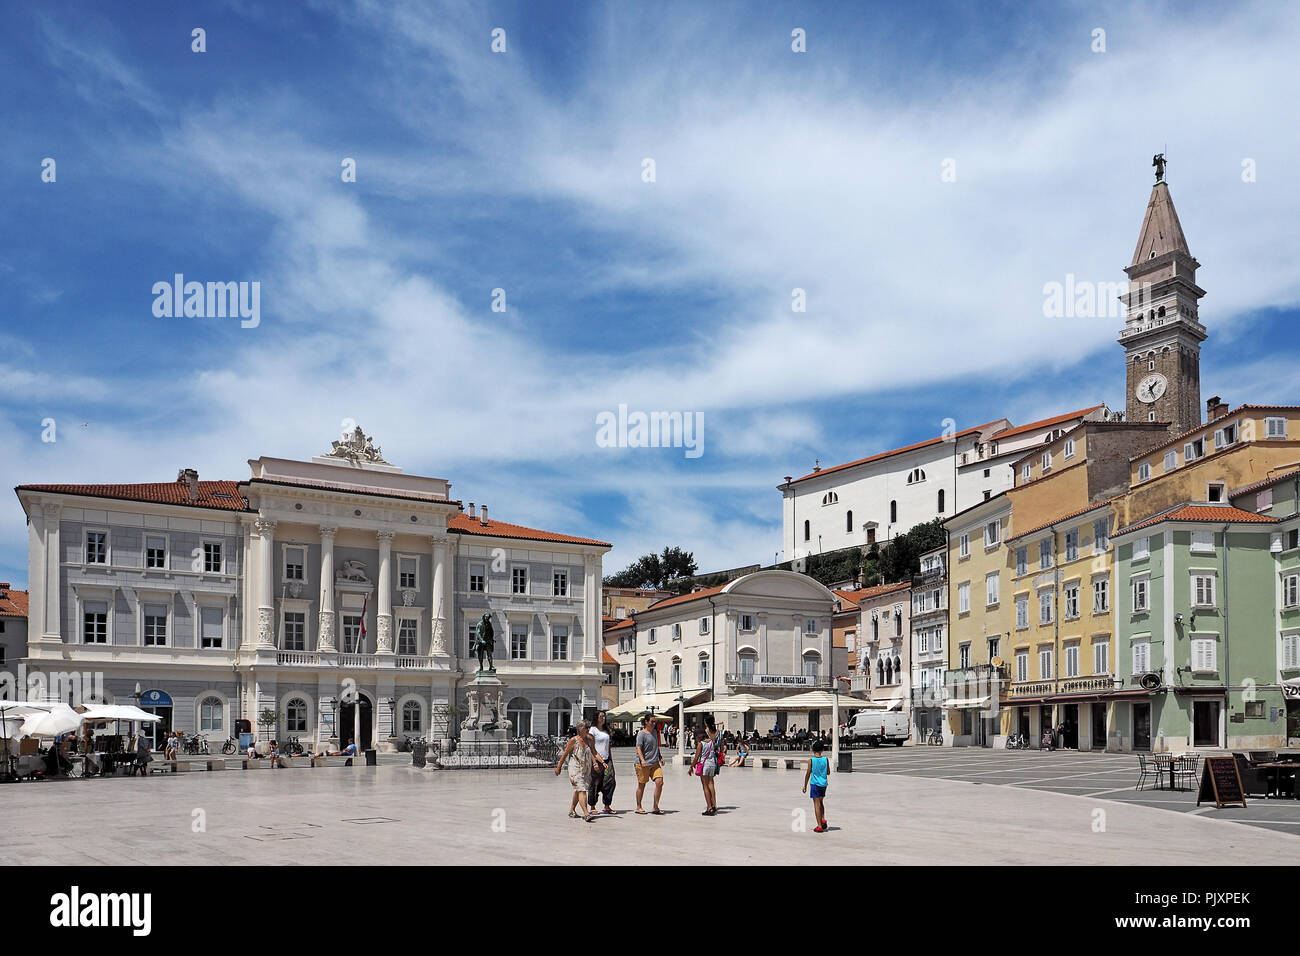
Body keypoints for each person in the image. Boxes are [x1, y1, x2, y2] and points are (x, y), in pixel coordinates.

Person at [555, 720, 597, 821]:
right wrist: (559, 767)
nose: (588, 729)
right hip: (575, 769)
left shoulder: (589, 740)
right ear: (580, 729)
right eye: (586, 727)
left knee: (578, 789)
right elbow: (565, 754)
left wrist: (597, 763)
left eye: (589, 727)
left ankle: (572, 810)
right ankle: (586, 814)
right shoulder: (573, 740)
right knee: (582, 789)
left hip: (585, 769)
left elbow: (593, 752)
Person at [634, 714, 665, 815]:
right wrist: (643, 760)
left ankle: (655, 807)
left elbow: (656, 746)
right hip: (643, 764)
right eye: (652, 721)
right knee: (642, 785)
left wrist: (660, 757)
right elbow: (638, 748)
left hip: (655, 763)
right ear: (646, 722)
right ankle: (638, 806)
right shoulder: (641, 734)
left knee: (660, 782)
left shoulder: (655, 732)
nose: (654, 723)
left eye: (655, 721)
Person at [588, 711, 617, 814]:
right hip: (596, 759)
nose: (603, 718)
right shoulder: (592, 730)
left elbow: (608, 747)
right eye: (601, 716)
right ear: (596, 717)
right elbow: (591, 748)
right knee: (595, 783)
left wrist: (611, 760)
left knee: (611, 782)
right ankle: (592, 806)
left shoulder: (606, 730)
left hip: (607, 759)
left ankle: (607, 805)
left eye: (604, 716)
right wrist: (594, 762)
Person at [693, 720, 720, 815]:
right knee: (711, 784)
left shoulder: (701, 743)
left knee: (705, 786)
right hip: (712, 764)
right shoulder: (711, 741)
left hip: (704, 765)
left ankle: (709, 807)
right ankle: (714, 805)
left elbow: (696, 757)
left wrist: (691, 767)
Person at [802, 740, 830, 832]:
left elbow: (808, 774)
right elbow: (828, 772)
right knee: (821, 802)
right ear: (822, 750)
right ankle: (823, 819)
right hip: (823, 784)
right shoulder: (826, 759)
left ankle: (819, 826)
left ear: (813, 750)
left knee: (816, 804)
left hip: (815, 784)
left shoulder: (811, 761)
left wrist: (805, 785)